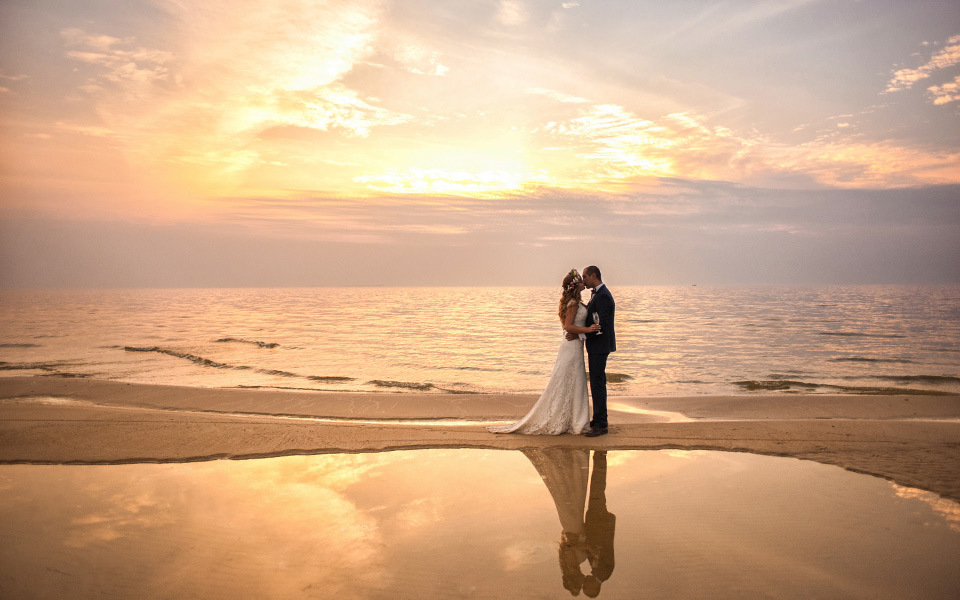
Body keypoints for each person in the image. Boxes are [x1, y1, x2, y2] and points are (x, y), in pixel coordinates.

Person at [487, 269, 600, 435]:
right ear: (576, 285)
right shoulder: (573, 304)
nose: (584, 281)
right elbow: (568, 326)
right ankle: (573, 420)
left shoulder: (577, 302)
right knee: (569, 380)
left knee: (574, 381)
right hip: (571, 347)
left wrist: (583, 332)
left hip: (575, 345)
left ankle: (574, 419)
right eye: (581, 280)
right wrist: (588, 330)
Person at [568, 265, 616, 437]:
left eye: (585, 277)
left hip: (600, 345)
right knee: (597, 382)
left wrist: (579, 335)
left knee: (597, 384)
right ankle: (598, 419)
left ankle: (602, 425)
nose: (584, 280)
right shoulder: (597, 294)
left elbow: (599, 325)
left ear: (593, 276)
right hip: (597, 345)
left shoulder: (603, 296)